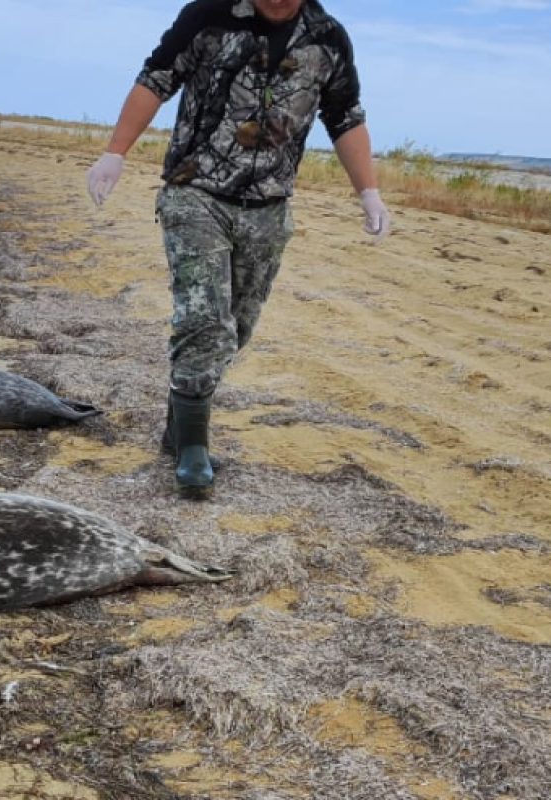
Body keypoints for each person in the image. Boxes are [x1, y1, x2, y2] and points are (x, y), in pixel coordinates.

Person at [86, 0, 391, 491]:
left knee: (235, 329)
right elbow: (156, 79)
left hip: (269, 208)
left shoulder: (327, 36)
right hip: (195, 194)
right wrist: (114, 153)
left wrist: (369, 193)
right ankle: (192, 451)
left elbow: (345, 117)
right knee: (203, 320)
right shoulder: (208, 15)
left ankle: (178, 423)